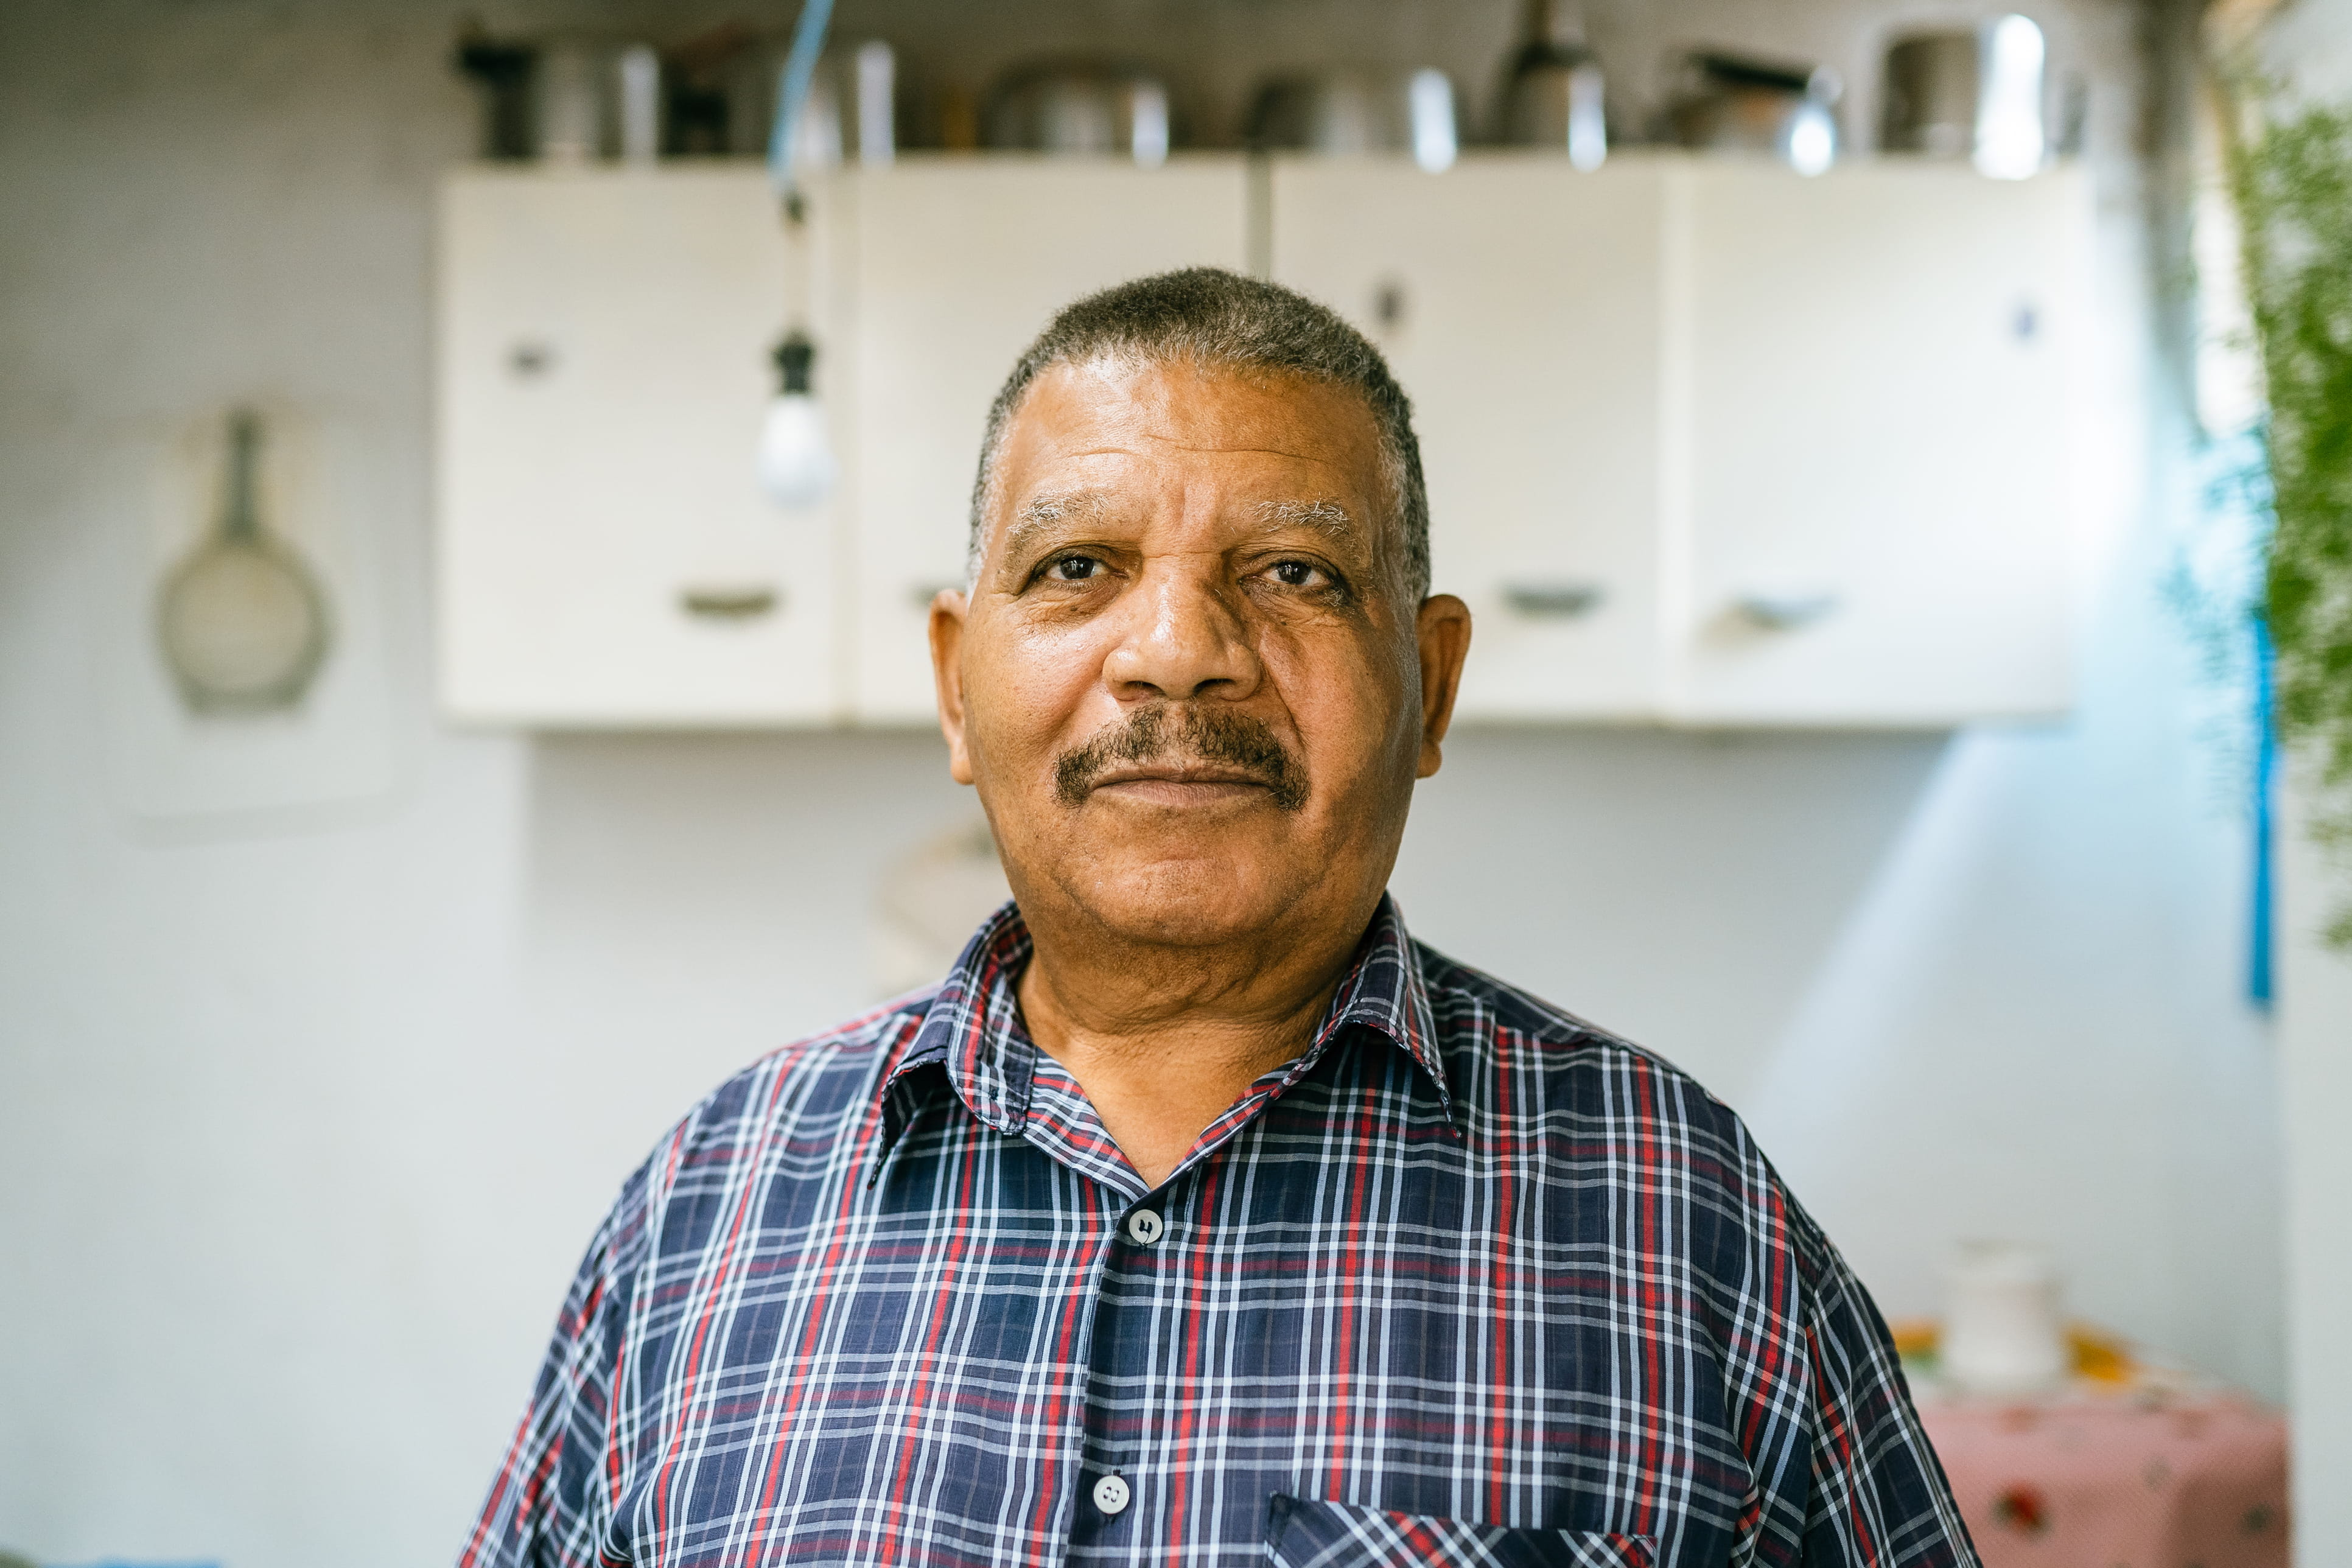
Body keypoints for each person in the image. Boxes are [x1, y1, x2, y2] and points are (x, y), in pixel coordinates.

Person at [460, 268, 1975, 1568]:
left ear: (1431, 687)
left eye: (1296, 572)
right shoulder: (705, 1215)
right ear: (954, 686)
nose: (1180, 654)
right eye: (1078, 568)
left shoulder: (1685, 1219)